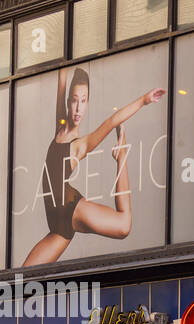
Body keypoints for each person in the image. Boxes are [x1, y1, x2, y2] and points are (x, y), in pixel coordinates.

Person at [23, 66, 165, 266]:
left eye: (83, 100)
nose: (78, 108)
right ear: (68, 101)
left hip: (71, 210)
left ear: (88, 103)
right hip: (57, 228)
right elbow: (61, 78)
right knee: (20, 283)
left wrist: (143, 100)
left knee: (123, 225)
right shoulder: (60, 127)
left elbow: (111, 121)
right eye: (74, 100)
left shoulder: (80, 145)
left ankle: (121, 154)